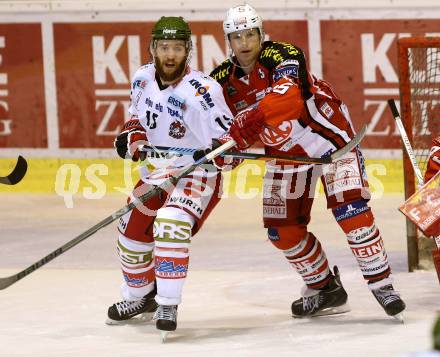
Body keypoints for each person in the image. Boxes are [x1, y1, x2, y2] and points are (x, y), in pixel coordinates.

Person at [210, 4, 406, 319]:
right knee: (281, 231)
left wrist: (253, 120)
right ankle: (325, 288)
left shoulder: (283, 55)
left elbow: (288, 99)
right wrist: (220, 155)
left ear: (262, 35)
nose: (245, 42)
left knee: (351, 211)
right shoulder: (220, 82)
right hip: (285, 156)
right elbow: (221, 136)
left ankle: (383, 286)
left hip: (330, 143)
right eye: (237, 36)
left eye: (250, 34)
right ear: (228, 42)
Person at [106, 16, 237, 338]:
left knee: (171, 224)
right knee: (130, 232)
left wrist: (220, 151)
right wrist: (132, 137)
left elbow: (230, 147)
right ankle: (140, 298)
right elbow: (137, 118)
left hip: (197, 174)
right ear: (153, 48)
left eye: (177, 48)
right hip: (156, 173)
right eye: (164, 47)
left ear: (188, 51)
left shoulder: (204, 91)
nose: (169, 54)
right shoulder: (142, 78)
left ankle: (167, 301)